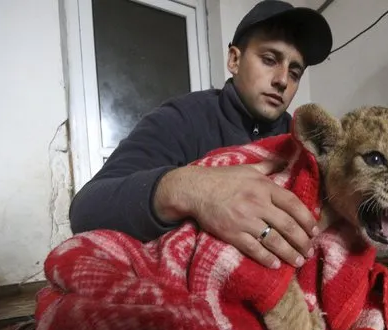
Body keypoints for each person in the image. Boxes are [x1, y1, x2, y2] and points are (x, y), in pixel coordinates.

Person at [69, 1, 333, 271]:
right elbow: (86, 210)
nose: (282, 80)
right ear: (234, 60)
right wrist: (192, 189)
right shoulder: (182, 119)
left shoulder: (300, 143)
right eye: (269, 60)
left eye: (295, 72)